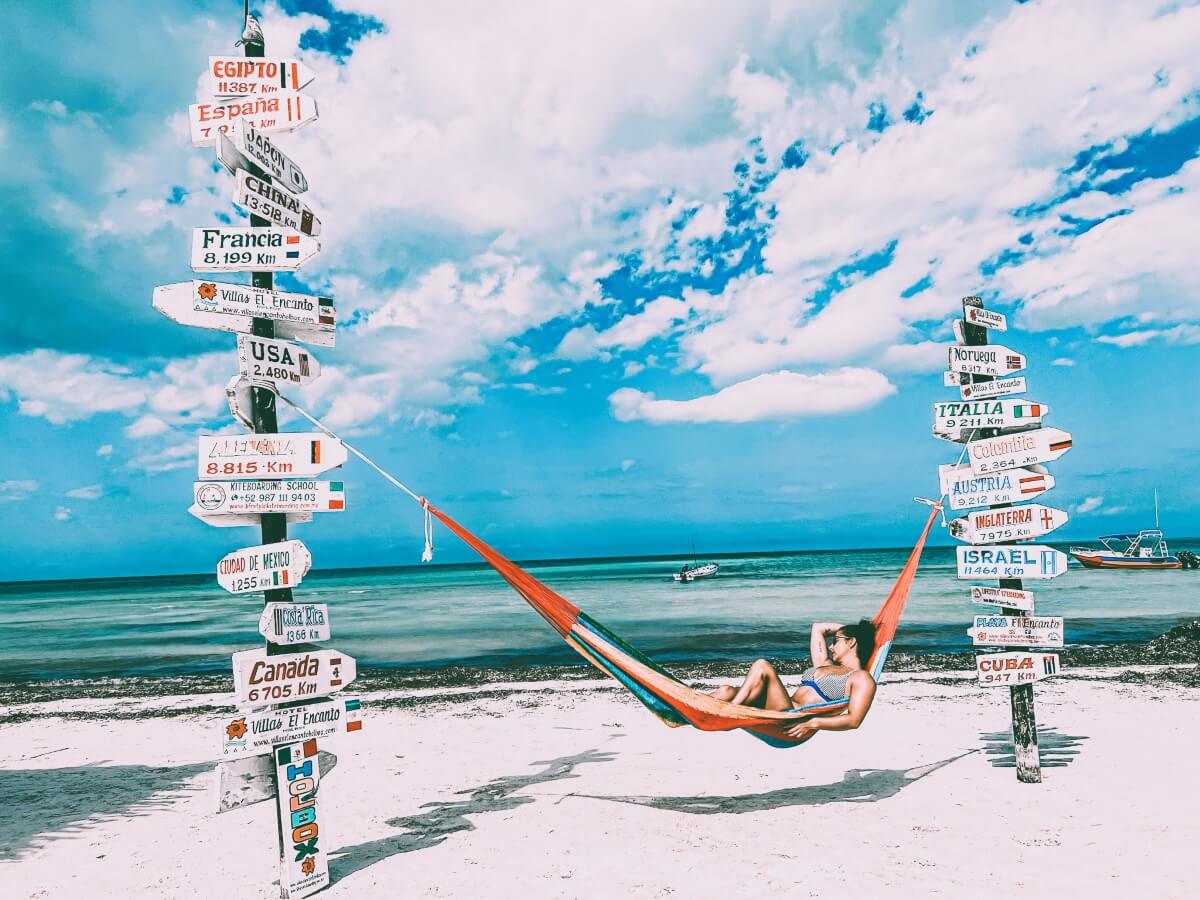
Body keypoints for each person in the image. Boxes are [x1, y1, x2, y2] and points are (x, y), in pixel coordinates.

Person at [709, 620, 878, 740]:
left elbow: (854, 720)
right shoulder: (825, 664)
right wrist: (856, 631)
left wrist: (813, 723)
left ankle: (729, 713)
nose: (830, 646)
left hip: (790, 719)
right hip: (780, 706)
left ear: (852, 642)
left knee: (762, 666)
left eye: (835, 641)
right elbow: (818, 628)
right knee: (726, 690)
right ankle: (685, 715)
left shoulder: (861, 678)